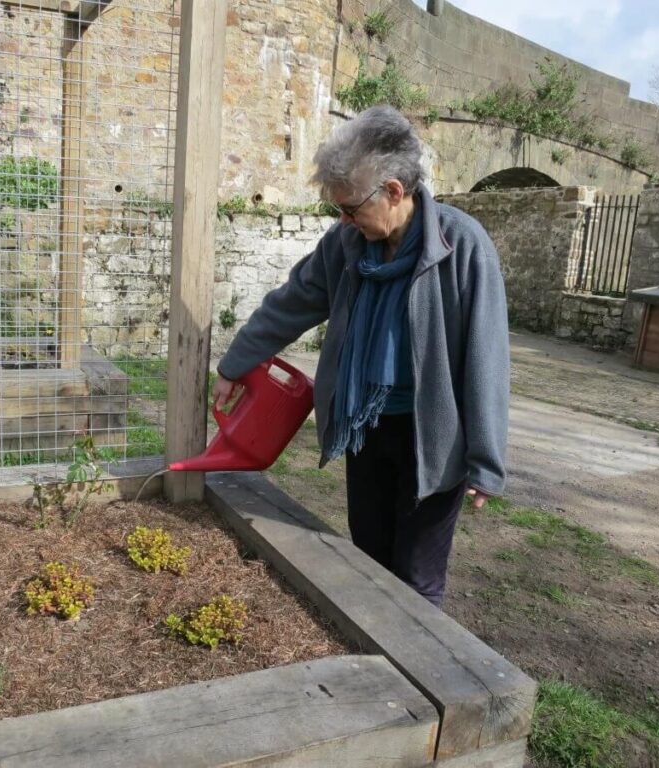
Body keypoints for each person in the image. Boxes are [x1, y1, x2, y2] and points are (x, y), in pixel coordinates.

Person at [212, 104, 509, 609]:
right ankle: (378, 665)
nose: (344, 220)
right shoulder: (347, 244)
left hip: (431, 438)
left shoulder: (462, 245)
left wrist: (486, 460)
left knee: (416, 576)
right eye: (339, 211)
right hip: (364, 429)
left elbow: (486, 358)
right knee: (369, 558)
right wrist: (234, 363)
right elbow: (291, 303)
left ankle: (419, 674)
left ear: (394, 191)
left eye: (350, 208)